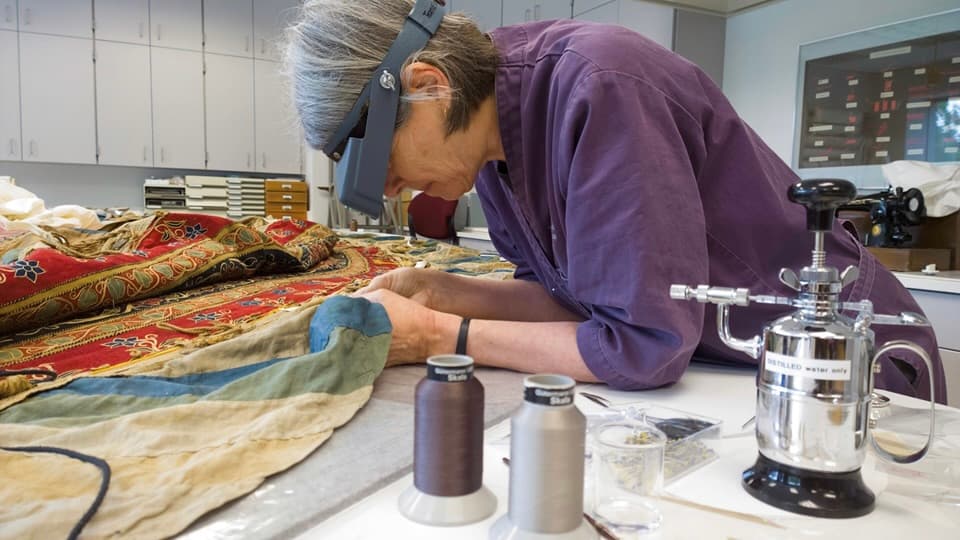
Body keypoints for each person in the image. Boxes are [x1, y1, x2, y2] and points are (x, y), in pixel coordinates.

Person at [284, 0, 947, 403]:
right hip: (729, 371)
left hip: (846, 375)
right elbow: (574, 302)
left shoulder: (600, 87)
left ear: (429, 86)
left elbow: (642, 344)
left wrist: (438, 335)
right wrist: (442, 290)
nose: (390, 189)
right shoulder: (491, 149)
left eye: (381, 163)